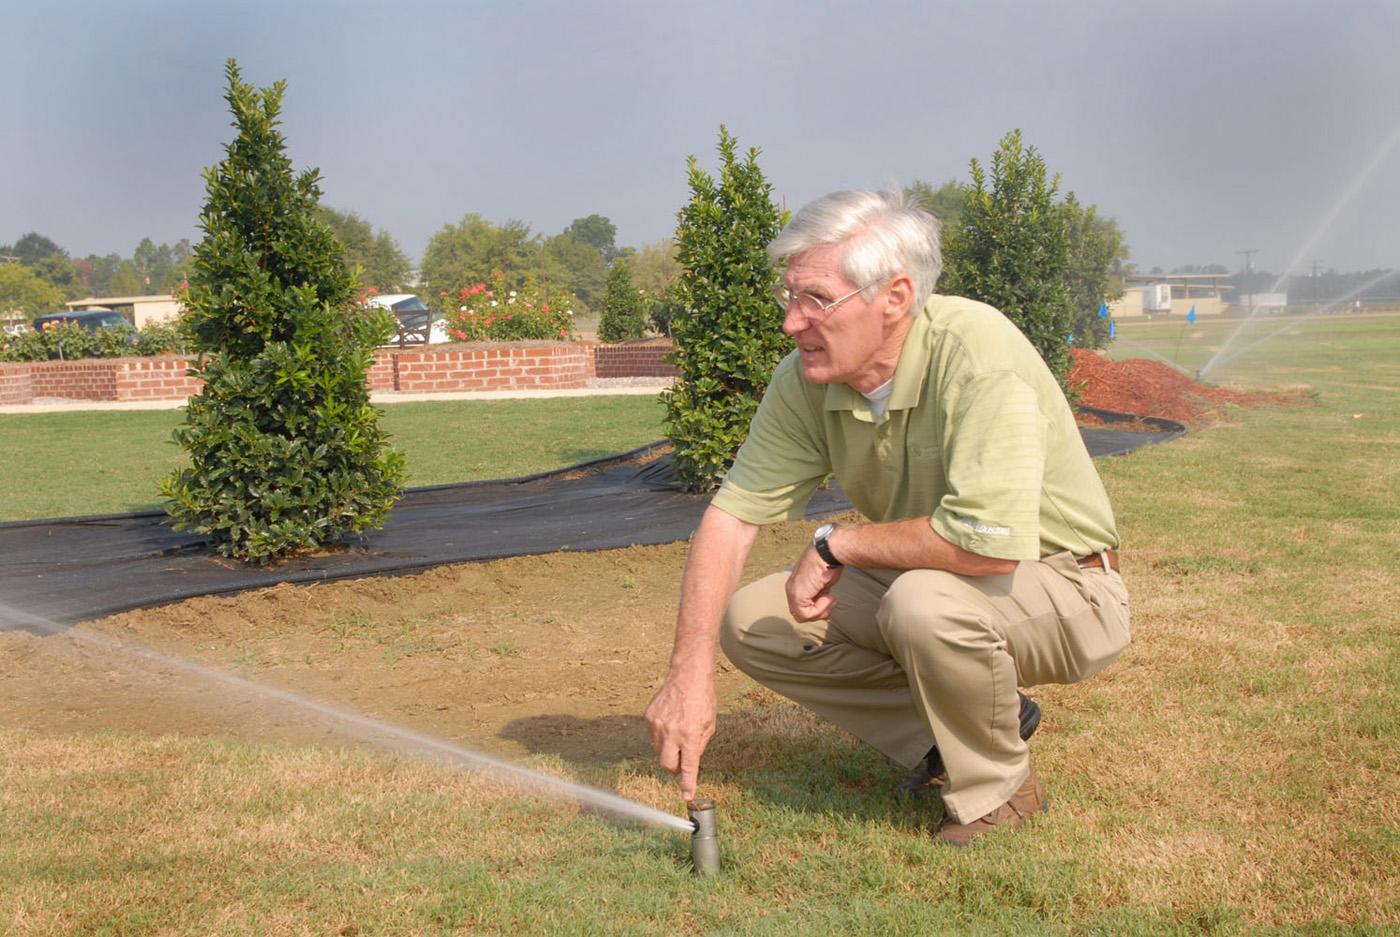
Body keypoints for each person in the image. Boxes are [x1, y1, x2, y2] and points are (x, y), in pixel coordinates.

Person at [644, 189, 1130, 846]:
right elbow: (729, 519)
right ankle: (967, 725)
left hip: (1068, 583)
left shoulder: (975, 351)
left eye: (816, 299)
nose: (791, 322)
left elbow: (986, 549)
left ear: (896, 298)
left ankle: (1001, 792)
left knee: (923, 605)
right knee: (756, 623)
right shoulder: (809, 379)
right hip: (936, 574)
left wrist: (837, 542)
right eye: (788, 298)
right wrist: (689, 673)